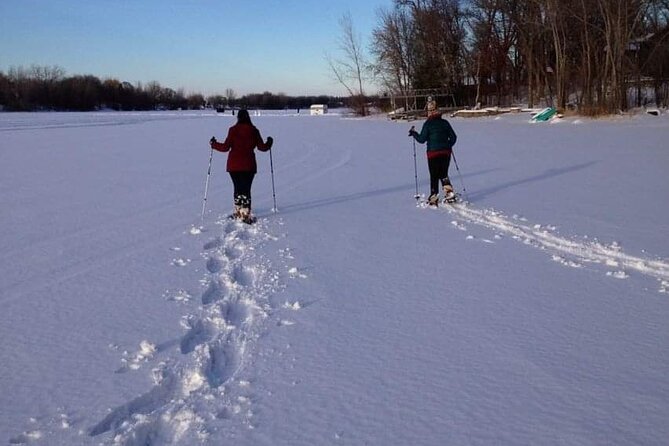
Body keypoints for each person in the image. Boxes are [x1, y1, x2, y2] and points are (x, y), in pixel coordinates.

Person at [210, 109, 273, 222]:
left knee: (238, 188)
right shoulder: (254, 130)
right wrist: (269, 142)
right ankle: (245, 214)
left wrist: (213, 144)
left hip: (234, 166)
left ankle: (238, 212)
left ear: (238, 117)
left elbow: (225, 147)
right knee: (246, 189)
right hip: (249, 165)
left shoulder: (233, 130)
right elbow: (262, 147)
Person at [409, 98, 458, 205]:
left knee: (434, 174)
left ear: (430, 112)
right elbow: (454, 137)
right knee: (444, 173)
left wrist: (414, 133)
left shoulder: (428, 124)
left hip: (433, 153)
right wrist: (448, 145)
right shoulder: (445, 122)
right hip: (446, 153)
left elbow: (422, 139)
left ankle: (434, 195)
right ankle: (449, 193)